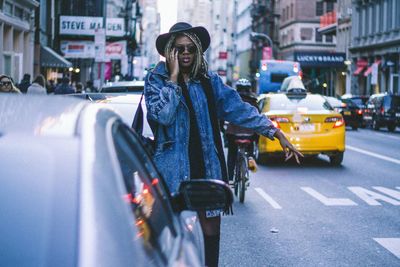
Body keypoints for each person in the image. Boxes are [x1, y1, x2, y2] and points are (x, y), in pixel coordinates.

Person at [144, 22, 303, 267]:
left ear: (198, 51)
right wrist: (174, 80)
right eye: (179, 49)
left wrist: (274, 131)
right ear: (170, 52)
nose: (186, 53)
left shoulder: (209, 81)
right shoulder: (157, 81)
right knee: (169, 240)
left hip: (206, 170)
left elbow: (239, 109)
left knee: (211, 239)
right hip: (170, 173)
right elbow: (162, 115)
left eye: (190, 49)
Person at [225, 78, 259, 181]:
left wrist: (223, 130)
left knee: (231, 154)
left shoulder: (231, 100)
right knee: (254, 140)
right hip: (250, 134)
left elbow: (223, 117)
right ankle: (251, 157)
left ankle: (230, 178)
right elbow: (258, 118)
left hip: (233, 134)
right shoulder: (253, 101)